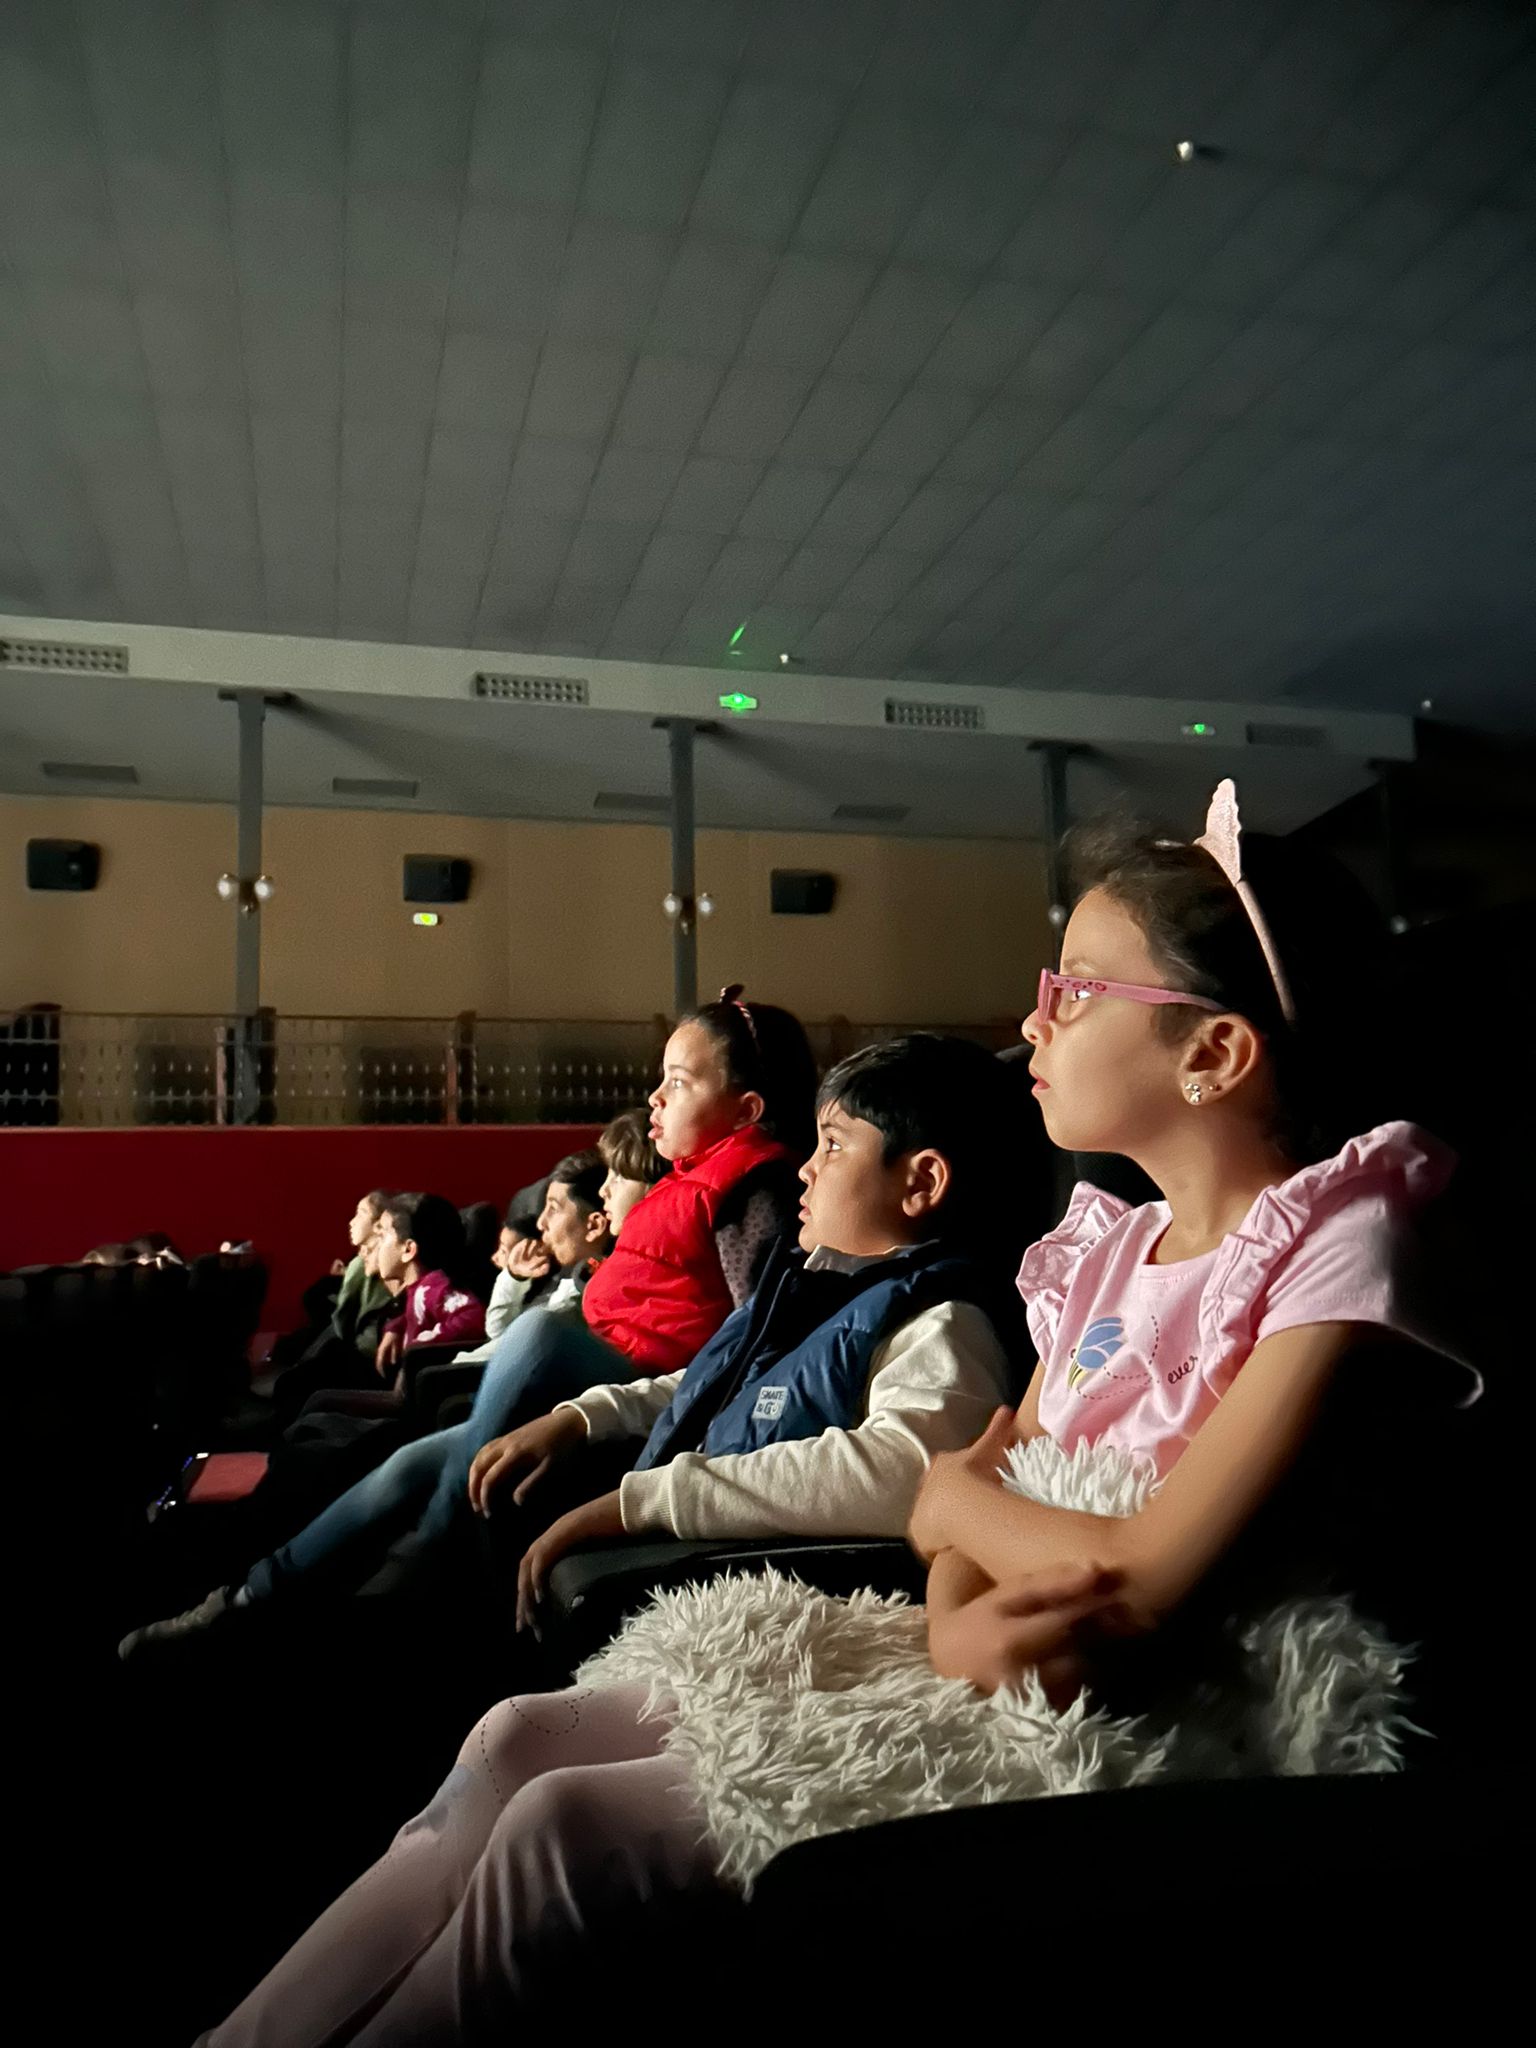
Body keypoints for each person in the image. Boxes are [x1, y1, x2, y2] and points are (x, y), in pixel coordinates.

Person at [194, 783, 1474, 2046]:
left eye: (1078, 989)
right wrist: (961, 1580)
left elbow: (1122, 1572)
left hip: (1150, 1726)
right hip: (977, 1650)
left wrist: (960, 1514)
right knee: (515, 1732)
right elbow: (967, 1495)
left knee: (563, 1829)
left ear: (1214, 1052)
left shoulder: (1335, 1241)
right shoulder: (1103, 1251)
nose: (1033, 1019)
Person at [468, 1036, 1034, 1628]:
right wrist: (584, 1416)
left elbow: (913, 1470)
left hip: (761, 1593)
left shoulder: (945, 1321)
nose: (806, 1169)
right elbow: (716, 1381)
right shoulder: (822, 1289)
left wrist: (650, 1502)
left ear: (921, 1183)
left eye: (833, 1145)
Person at [118, 1153, 611, 1655]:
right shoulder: (561, 1276)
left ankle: (338, 1587)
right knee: (376, 1453)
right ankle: (245, 1592)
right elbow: (495, 1332)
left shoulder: (586, 1287)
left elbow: (505, 1335)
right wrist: (512, 1280)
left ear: (595, 1223)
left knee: (339, 1438)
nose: (540, 1223)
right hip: (466, 1385)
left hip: (479, 1396)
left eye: (555, 1208)